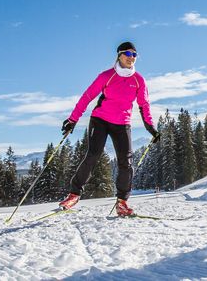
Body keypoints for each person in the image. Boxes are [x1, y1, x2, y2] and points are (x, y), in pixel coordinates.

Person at [57, 42, 160, 216]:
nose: (131, 57)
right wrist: (72, 119)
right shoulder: (107, 76)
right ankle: (74, 194)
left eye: (135, 55)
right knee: (93, 154)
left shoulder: (139, 80)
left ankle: (122, 202)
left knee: (126, 163)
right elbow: (87, 96)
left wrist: (151, 127)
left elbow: (144, 105)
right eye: (128, 53)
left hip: (122, 124)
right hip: (100, 120)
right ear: (119, 55)